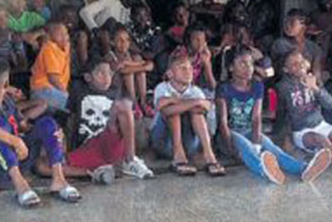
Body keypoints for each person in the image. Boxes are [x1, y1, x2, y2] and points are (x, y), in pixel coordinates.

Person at [0, 59, 81, 208]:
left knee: (48, 123)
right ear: (6, 83)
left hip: (20, 156)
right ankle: (20, 185)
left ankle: (59, 180)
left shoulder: (7, 101)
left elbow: (22, 126)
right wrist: (15, 141)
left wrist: (53, 134)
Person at [217, 45, 332, 184]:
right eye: (242, 63)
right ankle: (264, 170)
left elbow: (256, 118)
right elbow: (223, 122)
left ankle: (304, 169)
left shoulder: (257, 86)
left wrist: (257, 141)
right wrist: (231, 149)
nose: (248, 67)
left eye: (250, 63)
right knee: (246, 146)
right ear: (230, 68)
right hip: (229, 134)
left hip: (249, 129)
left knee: (273, 148)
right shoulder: (224, 88)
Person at [66, 58, 154, 183]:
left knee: (122, 105)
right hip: (88, 147)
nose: (106, 77)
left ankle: (130, 160)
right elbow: (70, 120)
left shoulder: (116, 93)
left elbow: (130, 115)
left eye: (109, 73)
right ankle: (97, 173)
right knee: (46, 164)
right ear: (88, 77)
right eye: (101, 73)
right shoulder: (79, 92)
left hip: (110, 139)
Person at [150, 48, 226, 176]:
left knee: (196, 114)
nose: (188, 72)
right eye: (182, 68)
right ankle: (178, 157)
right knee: (173, 114)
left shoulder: (196, 91)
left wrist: (175, 101)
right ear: (170, 74)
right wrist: (195, 102)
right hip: (165, 143)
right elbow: (166, 110)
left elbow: (204, 108)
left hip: (190, 145)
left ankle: (209, 156)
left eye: (190, 68)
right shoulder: (162, 88)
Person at [105, 27, 153, 118]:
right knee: (130, 72)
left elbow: (150, 66)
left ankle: (143, 102)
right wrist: (142, 66)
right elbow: (123, 70)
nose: (123, 43)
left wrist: (127, 63)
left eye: (126, 40)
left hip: (133, 89)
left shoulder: (132, 55)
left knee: (138, 63)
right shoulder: (110, 56)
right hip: (117, 91)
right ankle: (134, 104)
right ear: (112, 42)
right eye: (119, 40)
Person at [29, 22, 71, 112]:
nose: (64, 37)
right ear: (50, 37)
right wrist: (65, 93)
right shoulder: (49, 48)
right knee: (73, 105)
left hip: (55, 90)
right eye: (59, 34)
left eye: (66, 33)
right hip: (43, 89)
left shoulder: (66, 46)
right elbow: (53, 78)